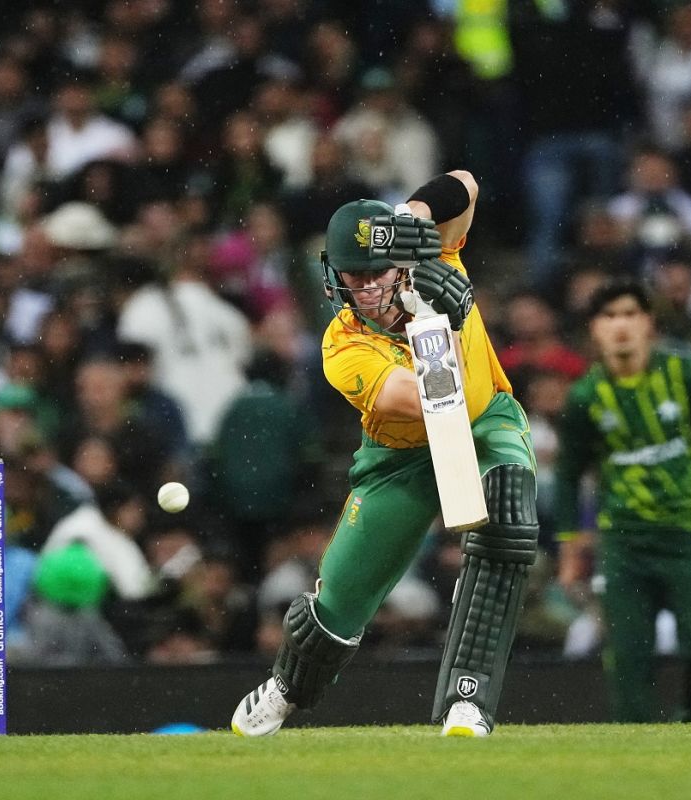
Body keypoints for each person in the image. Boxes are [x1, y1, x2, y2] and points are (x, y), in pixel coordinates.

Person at [231, 170, 539, 738]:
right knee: (335, 608)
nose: (368, 290)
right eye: (355, 277)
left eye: (377, 273)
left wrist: (414, 215)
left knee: (508, 518)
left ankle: (465, 700)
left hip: (484, 423)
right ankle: (287, 686)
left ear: (400, 261)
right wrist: (443, 319)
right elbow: (421, 402)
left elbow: (468, 184)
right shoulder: (342, 344)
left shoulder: (435, 255)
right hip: (399, 457)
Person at [554, 281, 691, 723]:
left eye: (630, 315)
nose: (620, 326)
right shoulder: (585, 396)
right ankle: (635, 750)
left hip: (690, 535)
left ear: (649, 324)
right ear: (594, 330)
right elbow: (568, 474)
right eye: (609, 317)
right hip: (624, 542)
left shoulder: (686, 373)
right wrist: (570, 545)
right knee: (628, 659)